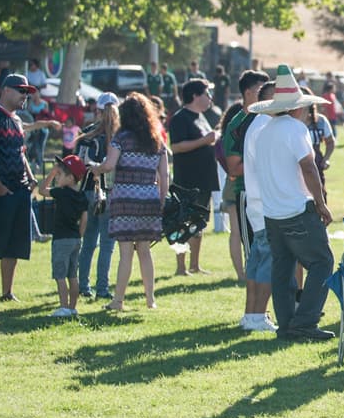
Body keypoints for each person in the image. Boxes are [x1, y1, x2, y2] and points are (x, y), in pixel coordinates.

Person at [246, 66, 335, 342]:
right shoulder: (296, 129)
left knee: (282, 270)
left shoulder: (263, 131)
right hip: (297, 208)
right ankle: (305, 322)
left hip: (272, 213)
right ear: (296, 108)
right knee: (322, 262)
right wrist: (320, 203)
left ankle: (286, 325)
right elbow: (308, 167)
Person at [92, 93, 169, 311]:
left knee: (125, 252)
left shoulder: (121, 138)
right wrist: (162, 200)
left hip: (124, 197)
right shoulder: (157, 140)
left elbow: (109, 165)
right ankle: (150, 299)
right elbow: (164, 175)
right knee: (145, 250)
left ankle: (118, 300)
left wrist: (94, 168)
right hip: (149, 199)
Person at [0, 73, 40, 302]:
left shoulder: (16, 120)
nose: (25, 96)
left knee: (15, 244)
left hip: (20, 189)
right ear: (6, 90)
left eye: (27, 92)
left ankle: (7, 292)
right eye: (21, 91)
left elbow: (20, 153)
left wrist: (31, 178)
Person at [221, 69, 272, 328]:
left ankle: (256, 313)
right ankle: (253, 315)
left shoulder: (263, 119)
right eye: (264, 90)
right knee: (257, 253)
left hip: (266, 195)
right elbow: (234, 167)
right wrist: (268, 165)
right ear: (251, 92)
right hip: (246, 194)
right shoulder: (239, 123)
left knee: (263, 254)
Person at [236, 79, 280, 332]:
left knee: (256, 259)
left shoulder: (256, 123)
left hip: (255, 201)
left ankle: (251, 314)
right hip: (266, 202)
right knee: (268, 261)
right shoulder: (266, 125)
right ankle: (258, 315)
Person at [168, 79, 219, 275]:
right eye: (207, 94)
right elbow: (176, 147)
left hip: (204, 178)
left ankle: (195, 265)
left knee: (199, 221)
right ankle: (181, 267)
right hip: (187, 180)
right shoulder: (180, 118)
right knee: (183, 222)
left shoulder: (201, 117)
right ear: (195, 96)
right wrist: (205, 141)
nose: (210, 98)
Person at [75, 93, 119, 300]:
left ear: (98, 111)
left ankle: (83, 285)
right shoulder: (121, 137)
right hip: (111, 192)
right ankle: (102, 288)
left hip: (88, 191)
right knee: (107, 246)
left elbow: (78, 166)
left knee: (89, 242)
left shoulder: (87, 134)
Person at [37, 155, 89, 317]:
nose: (57, 177)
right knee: (73, 275)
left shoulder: (60, 193)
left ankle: (63, 307)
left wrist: (51, 173)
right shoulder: (82, 196)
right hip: (75, 239)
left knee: (60, 275)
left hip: (61, 239)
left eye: (60, 174)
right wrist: (79, 236)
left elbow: (41, 190)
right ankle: (72, 307)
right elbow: (84, 220)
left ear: (70, 177)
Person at [303, 97, 335, 200]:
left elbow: (330, 142)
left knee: (320, 194)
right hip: (297, 164)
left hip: (316, 163)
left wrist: (326, 159)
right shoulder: (291, 122)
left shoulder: (321, 120)